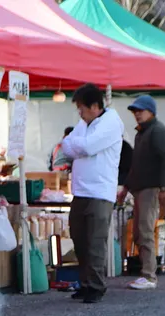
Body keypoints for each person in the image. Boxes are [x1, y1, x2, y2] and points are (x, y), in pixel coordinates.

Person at [62, 84, 124, 304]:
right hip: (80, 191)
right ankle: (85, 282)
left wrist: (76, 144)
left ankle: (96, 286)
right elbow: (66, 145)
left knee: (95, 242)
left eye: (82, 108)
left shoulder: (111, 122)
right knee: (79, 239)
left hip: (100, 192)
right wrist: (77, 144)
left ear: (95, 107)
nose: (79, 113)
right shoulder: (84, 124)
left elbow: (87, 147)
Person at [118, 95, 165, 291]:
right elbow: (136, 165)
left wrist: (163, 188)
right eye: (135, 111)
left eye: (140, 110)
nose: (137, 114)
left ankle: (149, 275)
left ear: (151, 111)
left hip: (150, 188)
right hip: (141, 189)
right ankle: (146, 273)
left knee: (145, 231)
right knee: (139, 232)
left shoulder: (158, 131)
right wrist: (126, 187)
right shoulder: (142, 133)